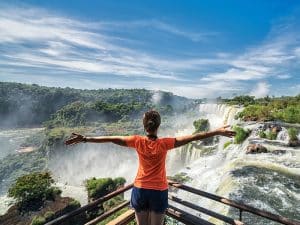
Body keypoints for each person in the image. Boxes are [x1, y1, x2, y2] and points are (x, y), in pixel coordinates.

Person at [65, 110, 236, 225]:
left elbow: (111, 138)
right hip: (159, 191)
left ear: (144, 126)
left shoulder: (136, 141)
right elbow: (193, 137)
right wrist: (216, 132)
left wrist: (86, 138)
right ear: (158, 126)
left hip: (139, 189)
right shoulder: (165, 143)